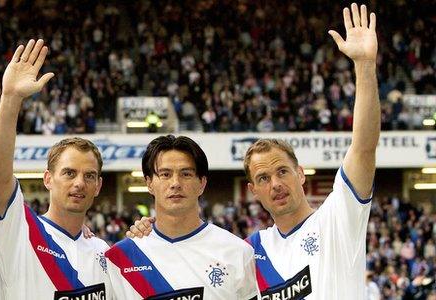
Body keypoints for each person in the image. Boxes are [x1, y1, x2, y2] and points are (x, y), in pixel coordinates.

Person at [127, 3, 380, 299]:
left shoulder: (338, 218)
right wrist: (148, 232)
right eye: (263, 178)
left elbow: (363, 148)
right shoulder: (249, 252)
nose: (275, 184)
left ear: (300, 174)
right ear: (253, 190)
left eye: (282, 171)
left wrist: (364, 66)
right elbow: (191, 252)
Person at [0, 39, 111, 299]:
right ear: (48, 179)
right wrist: (11, 98)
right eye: (69, 173)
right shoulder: (19, 231)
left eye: (89, 176)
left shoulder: (103, 252)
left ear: (98, 186)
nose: (79, 183)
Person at [105, 135, 259, 299]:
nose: (175, 183)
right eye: (165, 174)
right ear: (149, 183)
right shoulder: (120, 257)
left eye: (185, 174)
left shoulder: (237, 251)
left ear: (202, 183)